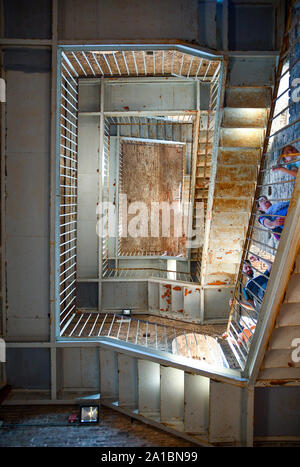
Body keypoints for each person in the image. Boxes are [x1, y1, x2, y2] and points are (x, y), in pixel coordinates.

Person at [222, 255, 272, 346]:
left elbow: (271, 266)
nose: (248, 268)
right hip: (263, 298)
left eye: (249, 266)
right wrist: (238, 302)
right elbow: (253, 307)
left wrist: (259, 259)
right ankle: (239, 339)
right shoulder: (246, 288)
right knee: (244, 320)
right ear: (242, 271)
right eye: (246, 268)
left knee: (247, 321)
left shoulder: (261, 276)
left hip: (268, 289)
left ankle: (239, 338)